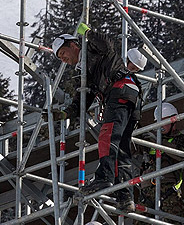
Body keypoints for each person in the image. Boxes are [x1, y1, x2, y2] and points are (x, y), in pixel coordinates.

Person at [53, 23, 141, 211]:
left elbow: (107, 44)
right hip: (129, 95)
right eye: (60, 58)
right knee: (121, 147)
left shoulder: (92, 50)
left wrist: (89, 32)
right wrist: (65, 113)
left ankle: (104, 178)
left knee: (107, 136)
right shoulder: (86, 72)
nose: (64, 60)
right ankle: (125, 195)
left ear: (73, 45)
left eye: (63, 53)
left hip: (120, 90)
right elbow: (82, 99)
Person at [137, 102, 184, 217]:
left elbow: (183, 155)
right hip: (147, 189)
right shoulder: (151, 140)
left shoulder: (181, 139)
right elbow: (134, 152)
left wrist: (158, 142)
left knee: (172, 220)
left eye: (164, 121)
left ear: (173, 121)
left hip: (168, 187)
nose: (161, 125)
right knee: (140, 220)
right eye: (159, 121)